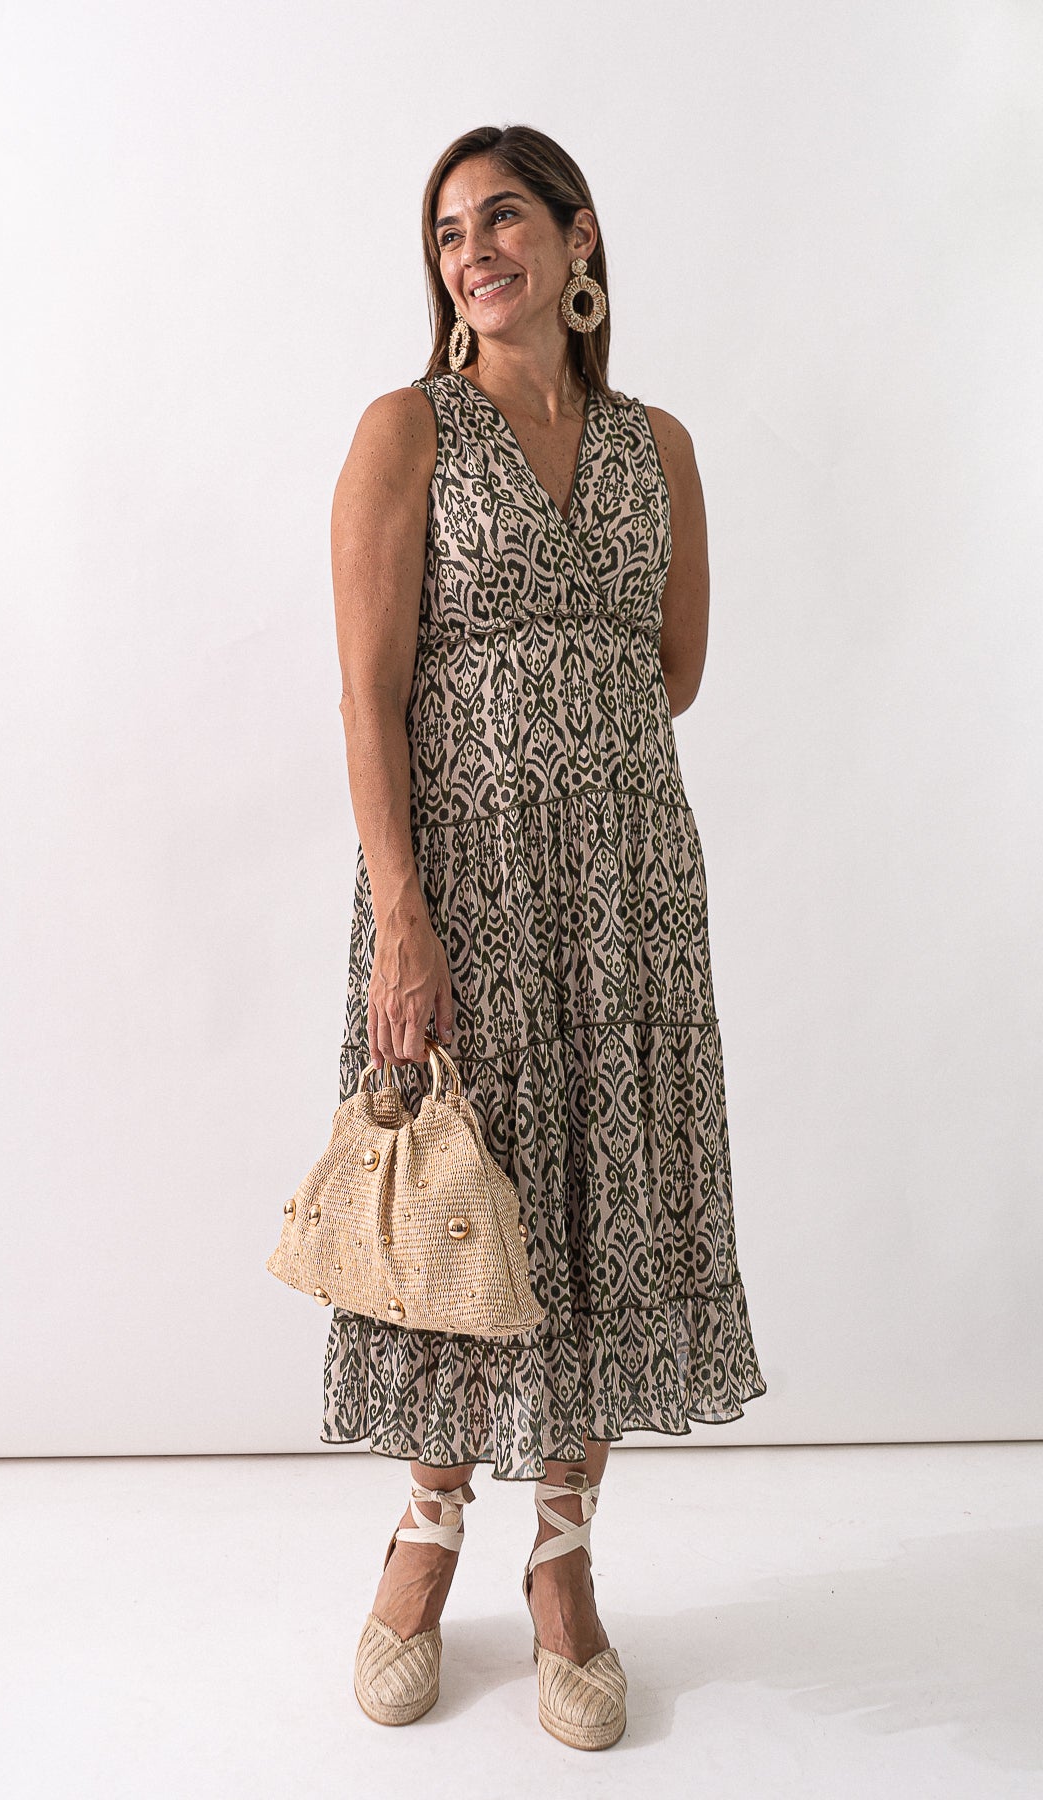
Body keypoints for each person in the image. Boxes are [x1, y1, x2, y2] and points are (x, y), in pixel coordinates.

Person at [324, 123, 767, 1748]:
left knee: (599, 1203)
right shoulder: (407, 432)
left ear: (579, 240)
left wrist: (579, 750)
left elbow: (675, 667)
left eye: (501, 217)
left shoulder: (660, 446)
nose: (473, 252)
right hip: (465, 887)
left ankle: (564, 1559)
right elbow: (368, 694)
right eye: (448, 233)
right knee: (461, 1206)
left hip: (627, 891)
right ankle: (427, 1533)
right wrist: (403, 910)